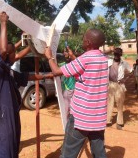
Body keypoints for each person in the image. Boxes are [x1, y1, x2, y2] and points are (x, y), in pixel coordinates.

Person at [0, 12, 53, 158]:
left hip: (11, 113)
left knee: (13, 144)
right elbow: (4, 50)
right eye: (11, 53)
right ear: (0, 54)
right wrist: (3, 23)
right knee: (5, 146)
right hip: (3, 113)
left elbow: (26, 76)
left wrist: (48, 75)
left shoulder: (8, 70)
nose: (14, 55)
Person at [45, 29, 108, 158]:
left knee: (68, 153)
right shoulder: (103, 58)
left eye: (84, 39)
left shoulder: (85, 58)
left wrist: (49, 57)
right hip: (98, 118)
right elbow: (85, 66)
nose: (82, 40)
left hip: (81, 118)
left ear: (89, 42)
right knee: (99, 153)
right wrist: (73, 56)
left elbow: (57, 71)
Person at [106, 48, 133, 130]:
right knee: (109, 103)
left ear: (120, 55)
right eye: (115, 54)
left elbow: (132, 71)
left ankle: (119, 123)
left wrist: (125, 79)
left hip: (120, 85)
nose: (116, 56)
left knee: (120, 104)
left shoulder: (124, 63)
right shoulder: (109, 61)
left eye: (118, 54)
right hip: (110, 84)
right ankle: (107, 121)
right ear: (113, 54)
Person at [59, 47, 76, 119]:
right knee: (68, 107)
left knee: (68, 107)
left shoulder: (65, 65)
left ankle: (67, 121)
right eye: (64, 52)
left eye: (66, 52)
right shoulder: (63, 64)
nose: (65, 53)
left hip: (70, 88)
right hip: (68, 88)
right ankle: (67, 120)